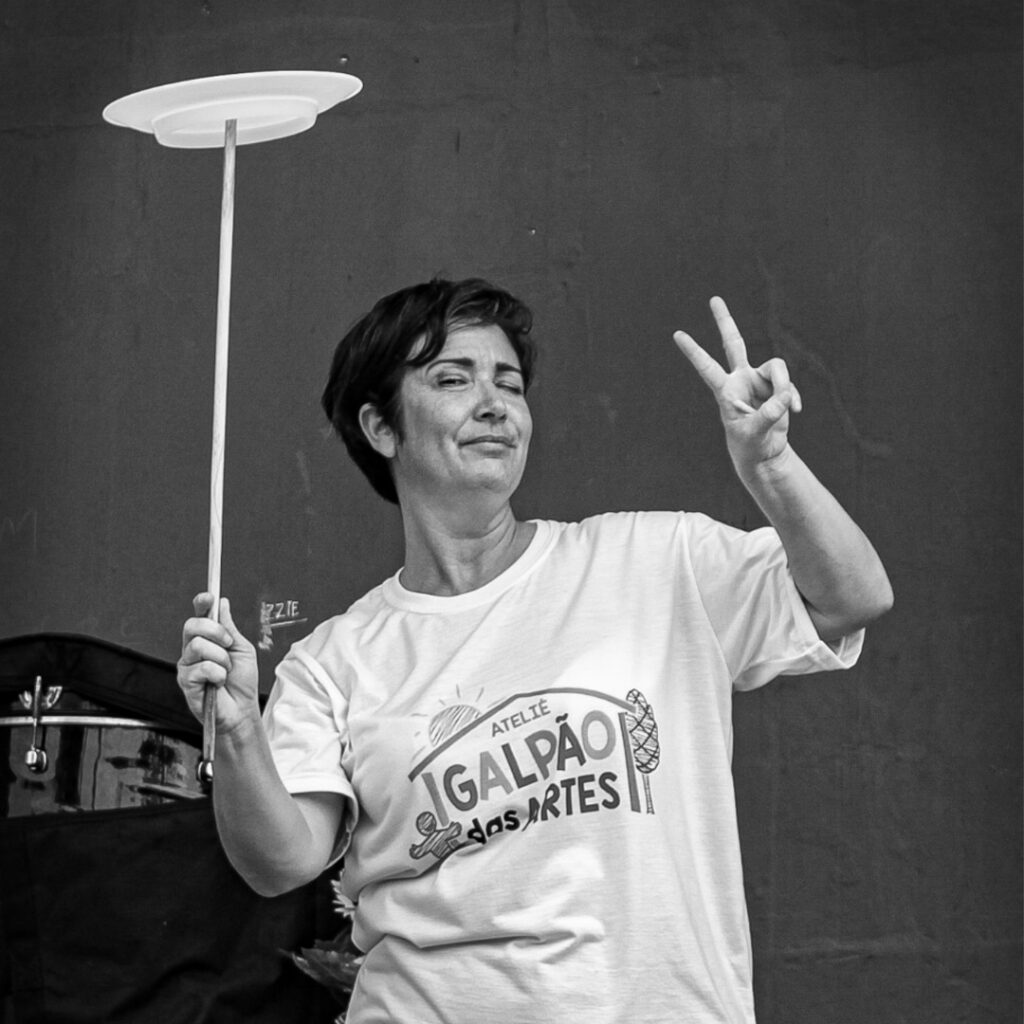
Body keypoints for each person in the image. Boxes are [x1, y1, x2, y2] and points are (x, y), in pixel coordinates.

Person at [177, 277, 892, 1024]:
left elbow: (852, 597)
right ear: (381, 426)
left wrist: (771, 466)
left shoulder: (656, 561)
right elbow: (280, 862)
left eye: (509, 383)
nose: (495, 404)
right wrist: (238, 730)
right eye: (453, 379)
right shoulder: (336, 660)